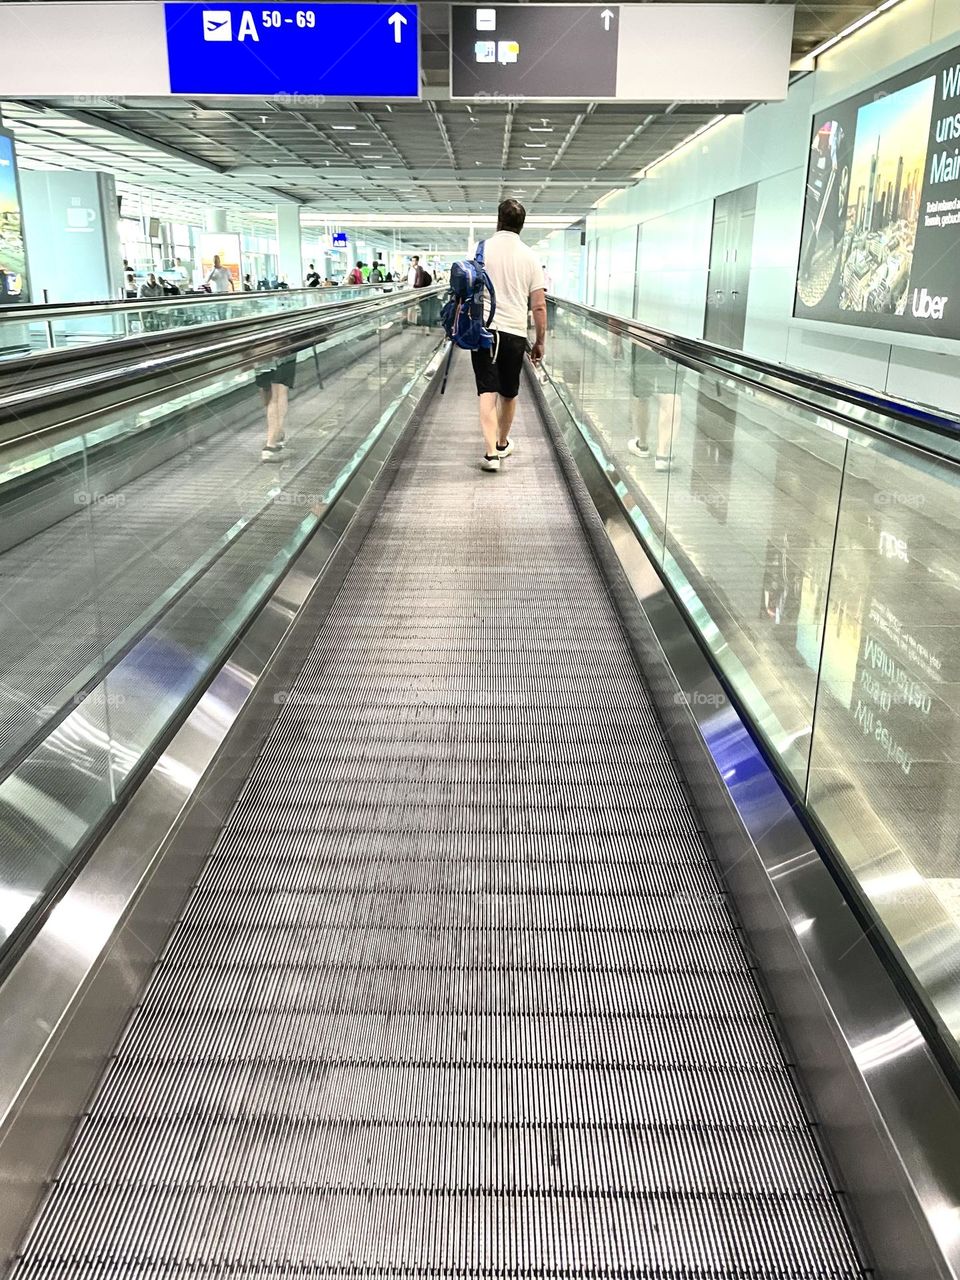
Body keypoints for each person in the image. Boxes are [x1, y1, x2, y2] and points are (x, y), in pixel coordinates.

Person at [471, 198, 546, 473]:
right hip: (515, 332)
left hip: (485, 330)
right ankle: (502, 443)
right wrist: (539, 341)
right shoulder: (530, 257)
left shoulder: (481, 250)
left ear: (498, 220)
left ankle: (491, 455)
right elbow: (539, 305)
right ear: (522, 225)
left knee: (487, 391)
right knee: (509, 392)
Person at [256, 357, 297, 463]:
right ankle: (271, 445)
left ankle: (277, 433)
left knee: (267, 390)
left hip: (259, 353)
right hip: (282, 353)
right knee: (280, 391)